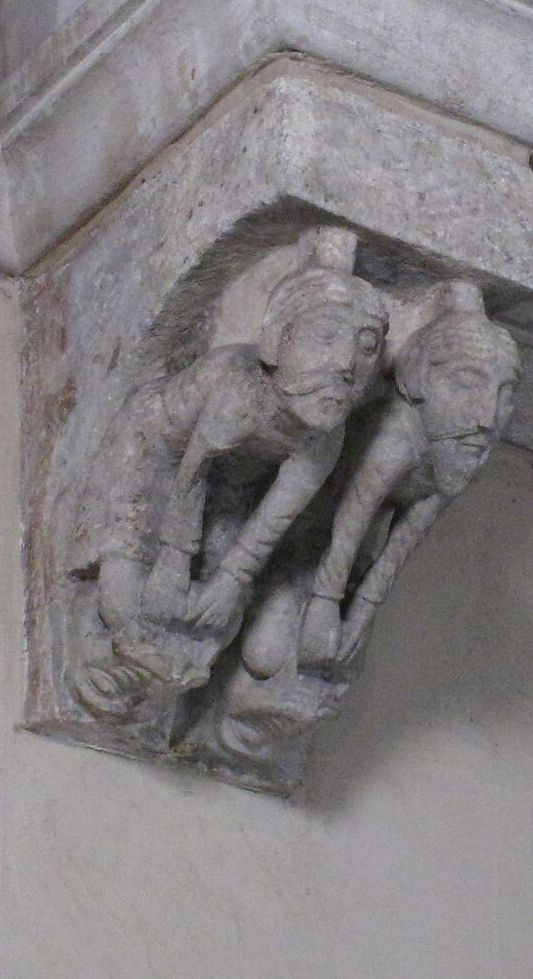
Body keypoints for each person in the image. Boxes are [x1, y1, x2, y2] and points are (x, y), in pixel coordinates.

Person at [67, 228, 389, 717]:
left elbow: (271, 523)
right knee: (127, 600)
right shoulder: (239, 387)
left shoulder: (325, 434)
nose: (346, 364)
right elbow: (194, 468)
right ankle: (107, 652)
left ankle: (164, 684)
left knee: (217, 621)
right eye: (325, 337)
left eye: (367, 347)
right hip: (146, 464)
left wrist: (230, 581)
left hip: (228, 499)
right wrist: (174, 563)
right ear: (278, 340)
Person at [297, 282, 518, 672]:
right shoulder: (396, 434)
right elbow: (353, 514)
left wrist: (364, 610)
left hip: (357, 550)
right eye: (467, 384)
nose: (487, 417)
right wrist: (324, 603)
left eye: (504, 394)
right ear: (419, 380)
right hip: (314, 522)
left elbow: (404, 540)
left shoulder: (457, 448)